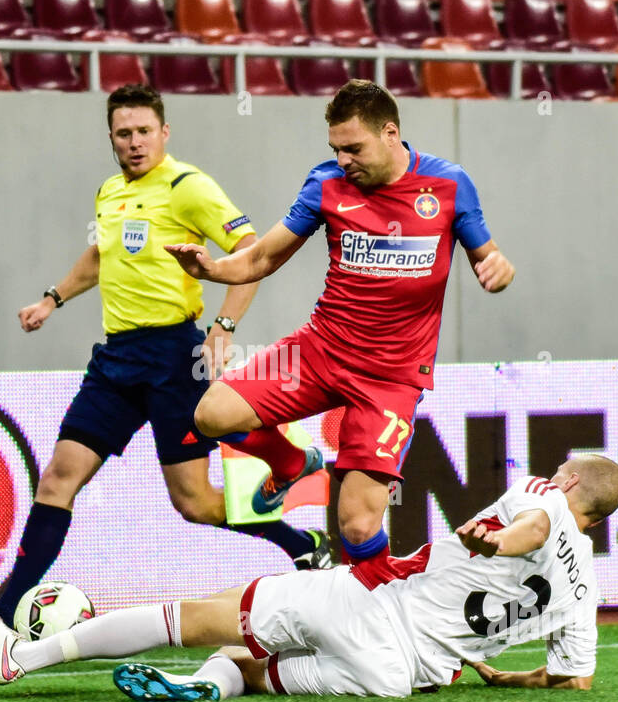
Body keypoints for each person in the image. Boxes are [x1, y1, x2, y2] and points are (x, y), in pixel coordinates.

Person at [0, 85, 330, 645]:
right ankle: (2, 612)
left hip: (174, 357)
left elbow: (252, 252)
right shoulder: (110, 192)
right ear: (112, 139)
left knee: (194, 504)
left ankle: (299, 544)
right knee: (57, 477)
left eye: (145, 131)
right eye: (124, 133)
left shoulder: (188, 187)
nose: (135, 142)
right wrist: (52, 298)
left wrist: (224, 327)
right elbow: (100, 254)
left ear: (164, 132)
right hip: (115, 360)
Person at [163, 80, 516, 589]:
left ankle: (382, 621)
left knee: (356, 522)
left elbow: (490, 257)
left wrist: (498, 270)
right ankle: (290, 463)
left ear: (390, 133)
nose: (343, 158)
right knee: (211, 413)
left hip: (391, 378)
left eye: (354, 148)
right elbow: (263, 257)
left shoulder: (449, 185)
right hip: (321, 350)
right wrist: (211, 269)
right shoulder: (326, 184)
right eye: (335, 149)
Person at [0, 455, 618, 700]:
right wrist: (503, 673)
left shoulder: (545, 498)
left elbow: (535, 529)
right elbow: (576, 678)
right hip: (401, 675)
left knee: (203, 616)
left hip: (370, 603)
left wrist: (498, 538)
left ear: (569, 482)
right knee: (258, 668)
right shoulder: (586, 593)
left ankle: (22, 655)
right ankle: (209, 686)